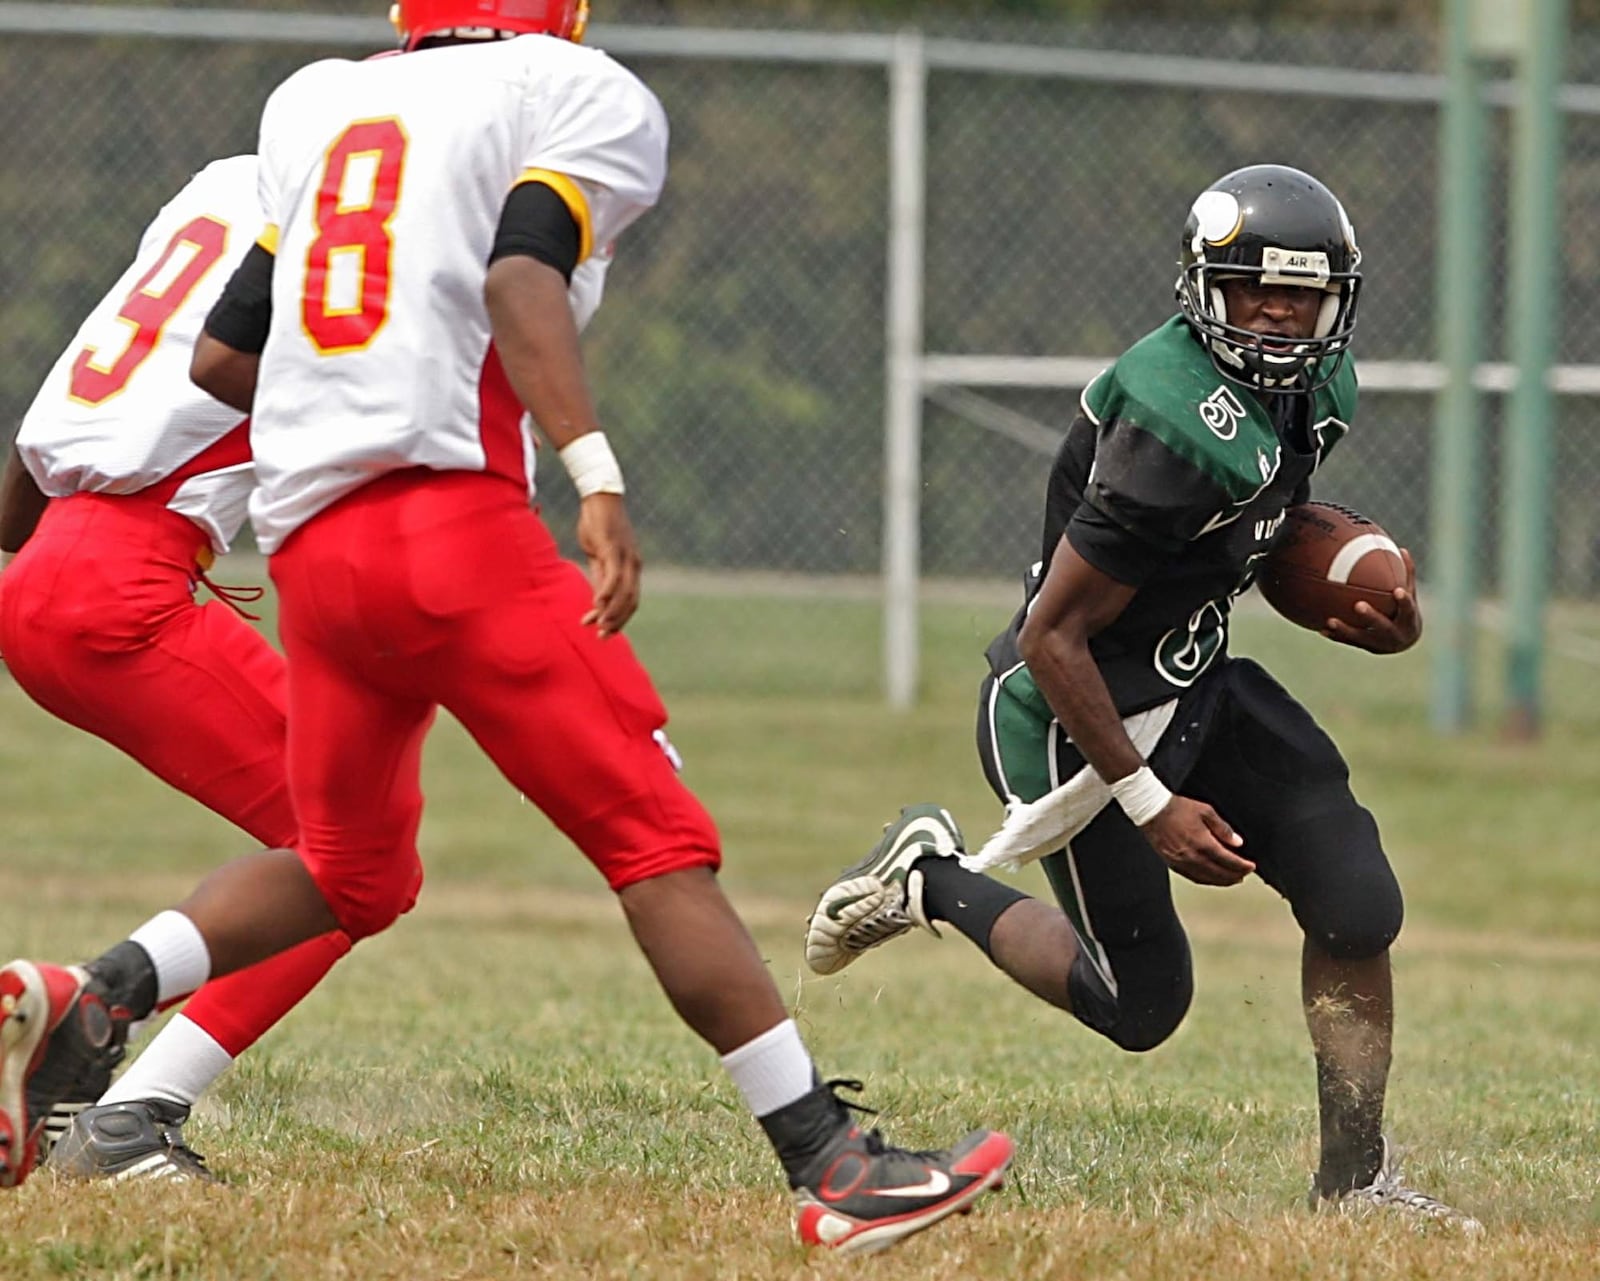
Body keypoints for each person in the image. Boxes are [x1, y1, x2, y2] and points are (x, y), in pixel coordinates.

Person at [0, 0, 1013, 1254]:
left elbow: (223, 358)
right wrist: (594, 471)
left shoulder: (314, 103)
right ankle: (834, 1164)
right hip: (448, 528)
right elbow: (520, 269)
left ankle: (95, 1001)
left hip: (315, 552)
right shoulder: (579, 91)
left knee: (348, 867)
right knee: (654, 839)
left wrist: (340, 396)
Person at [805, 164, 1480, 1230]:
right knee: (1141, 1007)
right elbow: (1053, 635)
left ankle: (1352, 1183)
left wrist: (1376, 606)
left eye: (1299, 295)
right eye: (1253, 288)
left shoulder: (1320, 389)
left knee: (1357, 905)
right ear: (1203, 289)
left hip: (1191, 675)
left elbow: (1247, 537)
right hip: (1074, 715)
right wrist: (1149, 804)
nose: (1276, 312)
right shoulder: (1171, 425)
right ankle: (932, 879)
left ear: (1334, 303)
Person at [0, 155, 356, 1181]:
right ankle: (123, 1100)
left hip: (47, 571)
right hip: (123, 583)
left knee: (338, 848)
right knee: (358, 856)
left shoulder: (225, 185)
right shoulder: (364, 219)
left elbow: (42, 438)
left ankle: (106, 1088)